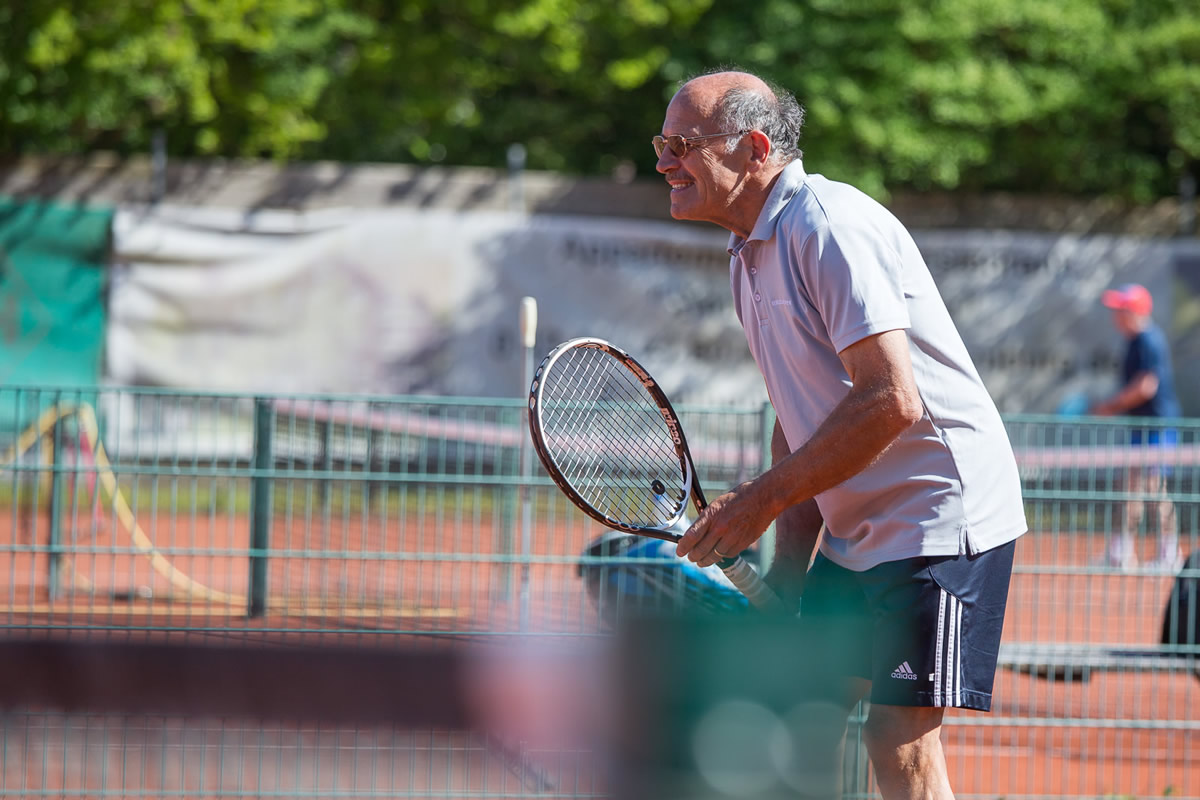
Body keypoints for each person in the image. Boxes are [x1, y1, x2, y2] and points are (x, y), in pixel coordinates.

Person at [656, 69, 1028, 800]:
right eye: (661, 144)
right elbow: (799, 422)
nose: (665, 162)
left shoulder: (827, 225)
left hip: (938, 518)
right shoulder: (749, 250)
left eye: (683, 145)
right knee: (799, 718)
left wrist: (759, 503)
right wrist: (789, 573)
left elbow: (892, 400)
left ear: (754, 148)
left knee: (898, 740)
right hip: (861, 531)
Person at [1091, 283, 1183, 571]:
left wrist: (1109, 407)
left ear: (1134, 312)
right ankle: (1120, 553)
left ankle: (1169, 555)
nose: (1116, 315)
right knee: (1129, 488)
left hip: (1157, 429)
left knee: (1155, 489)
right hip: (1141, 429)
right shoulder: (1135, 342)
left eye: (1121, 309)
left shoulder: (1149, 341)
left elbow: (1146, 387)